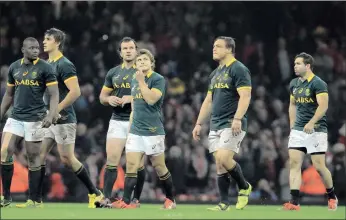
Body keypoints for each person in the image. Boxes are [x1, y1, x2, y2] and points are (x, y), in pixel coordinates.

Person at [16, 28, 103, 208]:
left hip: (63, 118)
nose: (44, 42)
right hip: (48, 118)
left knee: (67, 159)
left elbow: (76, 91)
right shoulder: (45, 64)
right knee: (38, 155)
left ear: (57, 42)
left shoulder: (65, 64)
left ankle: (95, 193)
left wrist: (56, 110)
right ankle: (35, 199)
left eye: (47, 39)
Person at [192, 36, 252, 211]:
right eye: (213, 46)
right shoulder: (215, 73)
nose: (214, 49)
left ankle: (244, 186)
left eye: (218, 46)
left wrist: (238, 118)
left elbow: (245, 96)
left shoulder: (239, 69)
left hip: (231, 121)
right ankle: (224, 203)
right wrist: (198, 123)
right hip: (215, 123)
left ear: (229, 49)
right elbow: (208, 101)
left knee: (224, 158)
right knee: (219, 164)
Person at [111, 49, 176, 209]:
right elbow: (135, 106)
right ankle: (126, 202)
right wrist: (130, 129)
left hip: (153, 130)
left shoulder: (158, 79)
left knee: (159, 167)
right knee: (131, 165)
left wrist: (141, 81)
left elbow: (152, 99)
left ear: (152, 63)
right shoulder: (135, 80)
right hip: (136, 130)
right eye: (139, 61)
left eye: (145, 60)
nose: (141, 63)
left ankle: (170, 199)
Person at [0, 37, 59, 207]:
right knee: (5, 151)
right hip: (16, 117)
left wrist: (51, 114)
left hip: (35, 118)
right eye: (31, 48)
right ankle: (6, 196)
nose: (35, 50)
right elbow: (9, 94)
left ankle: (35, 198)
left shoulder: (45, 68)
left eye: (37, 48)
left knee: (33, 157)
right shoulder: (14, 67)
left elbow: (54, 94)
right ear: (23, 50)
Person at [283, 52, 338, 211]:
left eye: (298, 64)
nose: (295, 66)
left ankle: (331, 195)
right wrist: (292, 123)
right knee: (294, 163)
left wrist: (312, 122)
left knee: (319, 166)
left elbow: (323, 106)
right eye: (294, 64)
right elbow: (292, 104)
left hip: (317, 130)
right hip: (298, 131)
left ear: (307, 66)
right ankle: (294, 201)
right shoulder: (294, 83)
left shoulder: (318, 83)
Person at [97, 37, 145, 207]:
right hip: (117, 120)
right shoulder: (113, 73)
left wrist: (131, 98)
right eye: (125, 48)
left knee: (137, 164)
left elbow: (151, 96)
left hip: (138, 121)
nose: (128, 51)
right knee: (112, 159)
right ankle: (106, 198)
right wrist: (109, 99)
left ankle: (135, 199)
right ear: (120, 52)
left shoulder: (143, 72)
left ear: (136, 50)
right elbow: (102, 96)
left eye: (131, 48)